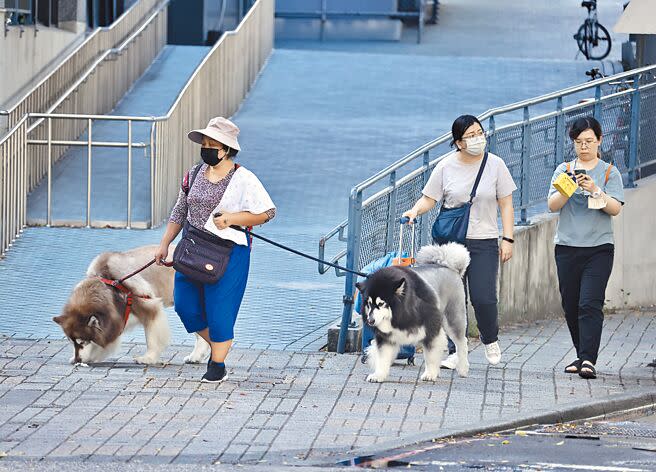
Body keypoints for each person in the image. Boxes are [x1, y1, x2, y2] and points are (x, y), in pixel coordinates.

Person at [155, 117, 276, 383]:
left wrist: (233, 219)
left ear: (227, 149)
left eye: (213, 144)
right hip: (192, 247)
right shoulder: (194, 173)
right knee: (185, 306)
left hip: (228, 252)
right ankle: (220, 345)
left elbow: (267, 212)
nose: (206, 148)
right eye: (205, 143)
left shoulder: (244, 178)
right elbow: (180, 209)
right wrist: (165, 243)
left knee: (219, 311)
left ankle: (218, 363)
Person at [403, 115, 517, 368]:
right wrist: (414, 211)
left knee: (484, 298)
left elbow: (506, 203)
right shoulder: (445, 167)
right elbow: (429, 199)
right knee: (453, 300)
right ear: (458, 143)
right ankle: (458, 351)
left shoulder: (495, 165)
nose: (478, 139)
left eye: (480, 133)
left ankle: (490, 338)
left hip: (484, 241)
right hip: (451, 244)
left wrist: (508, 237)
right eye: (471, 135)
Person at [548, 116, 624, 380]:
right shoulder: (564, 169)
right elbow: (552, 206)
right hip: (567, 247)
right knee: (570, 305)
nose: (584, 146)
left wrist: (595, 190)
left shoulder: (608, 172)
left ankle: (589, 360)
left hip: (599, 248)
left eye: (589, 141)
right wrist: (568, 189)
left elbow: (615, 209)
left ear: (599, 141)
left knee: (589, 303)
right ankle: (582, 355)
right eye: (579, 142)